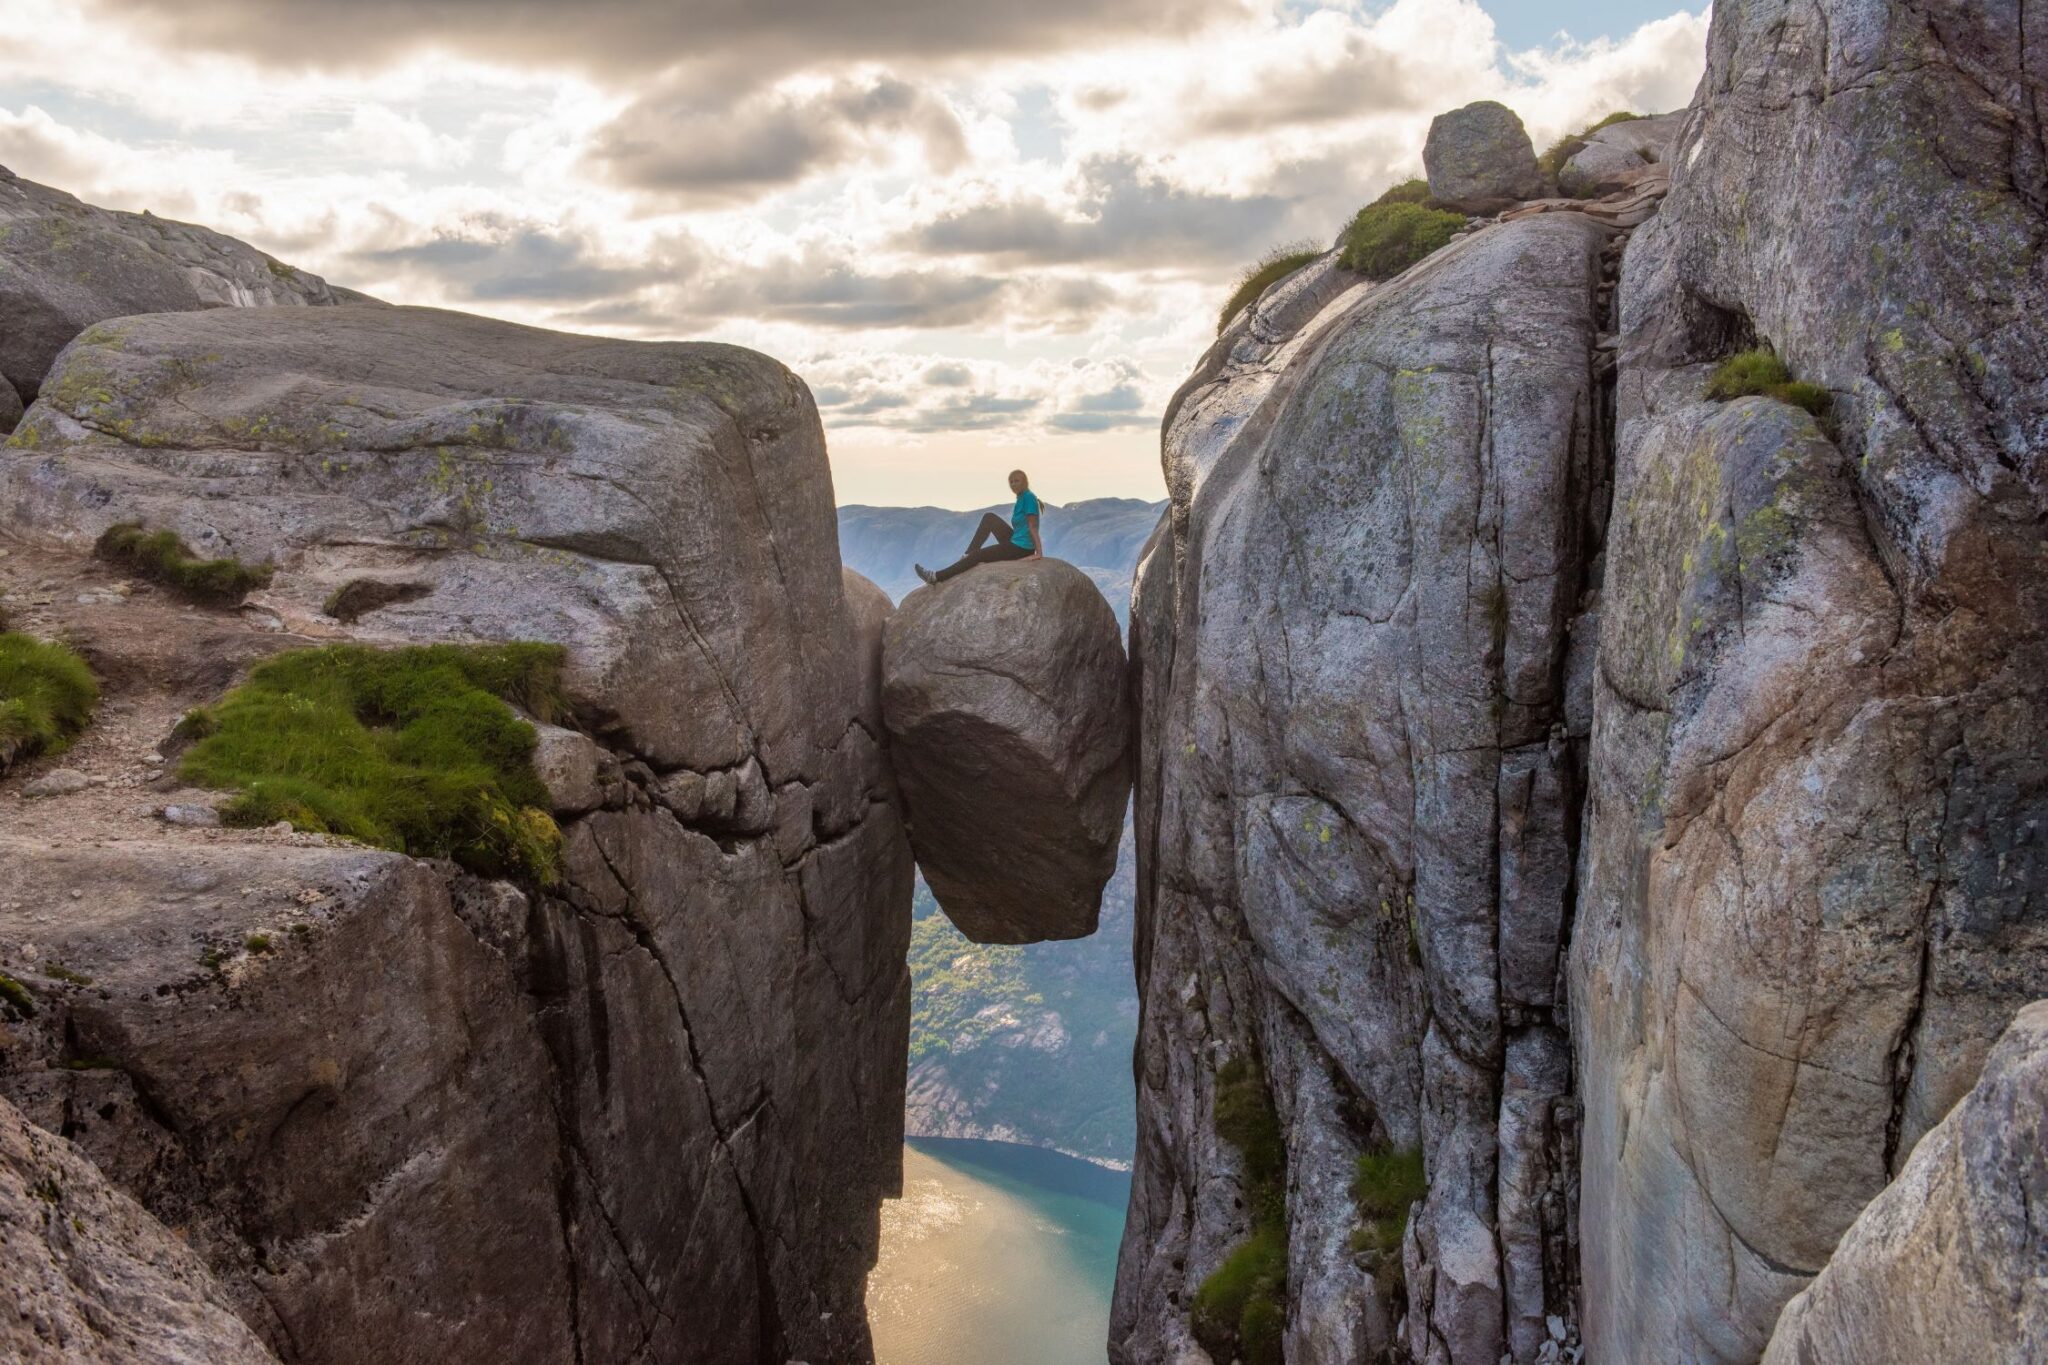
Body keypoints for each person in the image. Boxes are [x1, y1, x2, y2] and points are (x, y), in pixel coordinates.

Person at [916, 470, 1043, 585]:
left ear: (1025, 481)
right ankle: (968, 554)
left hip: (1022, 548)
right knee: (989, 517)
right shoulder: (1021, 497)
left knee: (978, 556)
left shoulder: (1029, 498)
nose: (1014, 484)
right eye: (1011, 482)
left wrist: (1038, 553)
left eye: (1017, 481)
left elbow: (1033, 527)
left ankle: (936, 577)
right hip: (1016, 540)